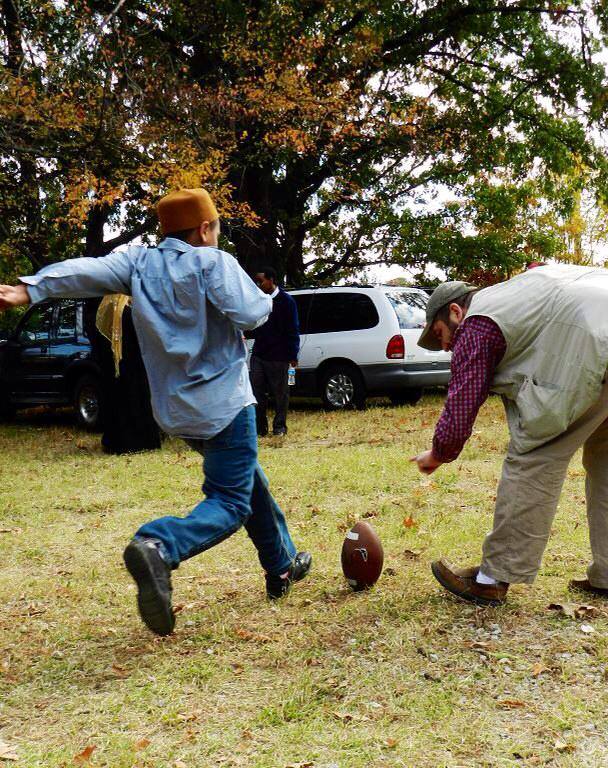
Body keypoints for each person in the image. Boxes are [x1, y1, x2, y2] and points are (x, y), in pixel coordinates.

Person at [0, 188, 311, 636]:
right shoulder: (213, 263)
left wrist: (30, 288)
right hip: (225, 404)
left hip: (176, 412)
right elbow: (252, 315)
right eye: (218, 228)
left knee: (246, 478)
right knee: (230, 499)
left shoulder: (138, 264)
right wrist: (266, 300)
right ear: (205, 229)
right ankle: (159, 544)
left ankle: (281, 565)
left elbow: (87, 271)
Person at [410, 264, 608, 606]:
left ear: (456, 311)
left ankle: (492, 578)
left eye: (442, 334)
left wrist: (438, 454)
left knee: (533, 458)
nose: (445, 347)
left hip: (592, 346)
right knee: (605, 462)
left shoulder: (476, 324)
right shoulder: (516, 292)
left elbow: (461, 409)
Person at [84, 296, 162, 454]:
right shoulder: (105, 303)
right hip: (117, 362)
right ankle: (127, 441)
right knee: (123, 396)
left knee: (133, 394)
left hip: (130, 361)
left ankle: (136, 440)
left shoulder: (125, 302)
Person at [247, 267, 300, 437]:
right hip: (259, 355)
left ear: (271, 280)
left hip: (279, 356)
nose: (258, 285)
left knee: (280, 394)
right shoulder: (257, 300)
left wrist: (293, 355)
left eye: (261, 281)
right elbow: (253, 324)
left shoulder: (286, 301)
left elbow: (293, 329)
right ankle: (260, 429)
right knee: (257, 393)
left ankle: (279, 427)